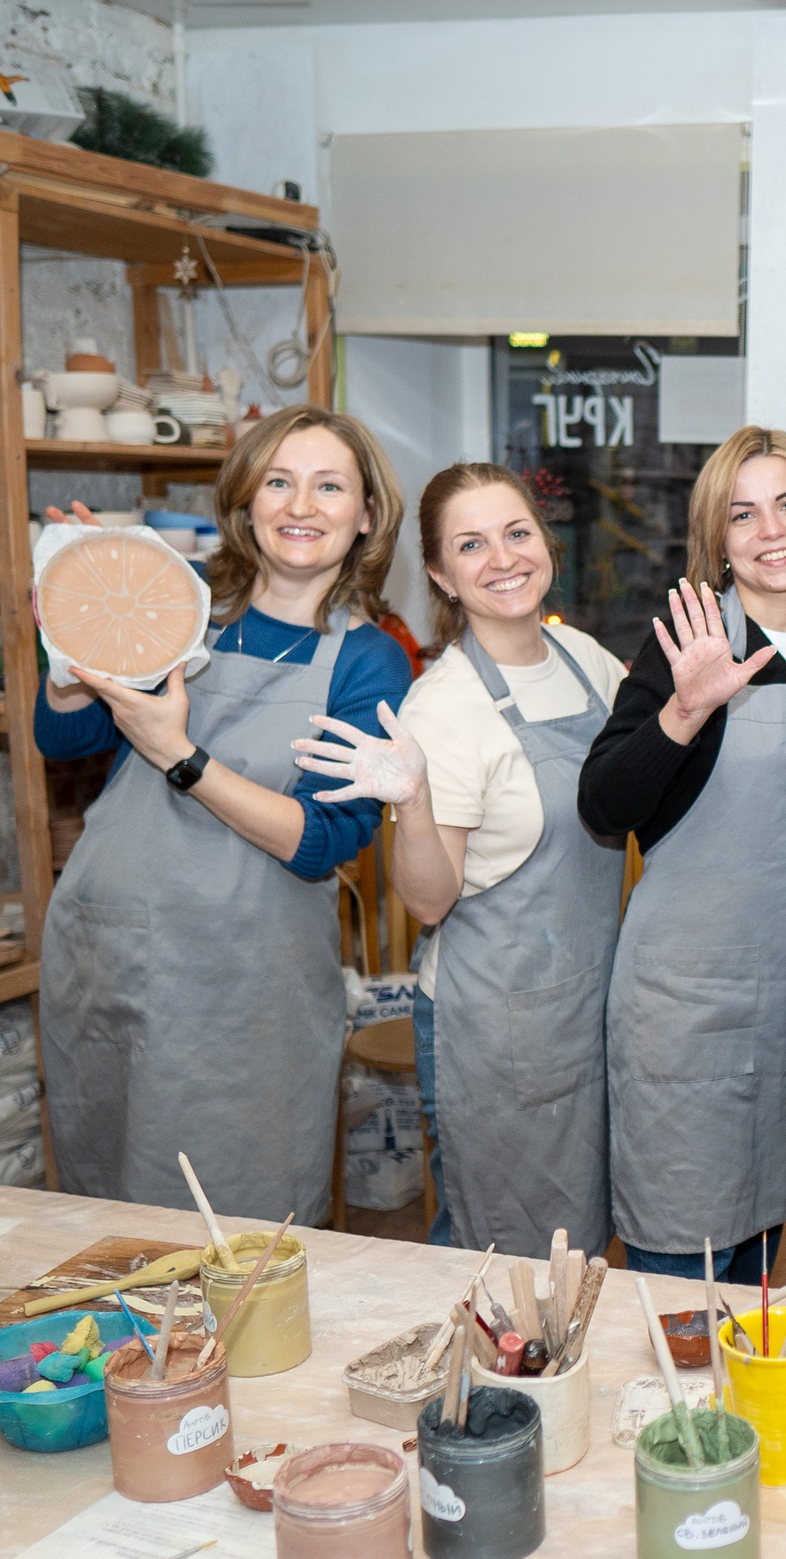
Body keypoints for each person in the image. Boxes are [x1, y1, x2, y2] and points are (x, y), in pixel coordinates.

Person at [39, 404, 411, 1222]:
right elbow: (65, 734)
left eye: (328, 486)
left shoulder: (370, 657)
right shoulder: (182, 608)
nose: (300, 505)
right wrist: (84, 613)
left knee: (240, 1226)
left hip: (246, 990)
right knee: (106, 1217)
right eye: (279, 481)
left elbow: (321, 841)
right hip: (108, 958)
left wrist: (184, 757)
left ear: (367, 516)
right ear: (246, 503)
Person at [293, 462, 628, 1259]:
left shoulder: (585, 658)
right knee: (505, 1249)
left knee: (582, 1243)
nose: (503, 558)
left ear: (545, 543)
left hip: (593, 1002)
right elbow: (429, 899)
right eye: (471, 545)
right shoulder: (442, 706)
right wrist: (411, 801)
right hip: (497, 1024)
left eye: (517, 533)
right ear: (441, 574)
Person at [578, 428, 786, 1286]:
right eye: (743, 514)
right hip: (685, 1011)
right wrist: (684, 710)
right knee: (679, 1268)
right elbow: (603, 804)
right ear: (717, 540)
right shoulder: (689, 640)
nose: (771, 530)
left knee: (762, 1254)